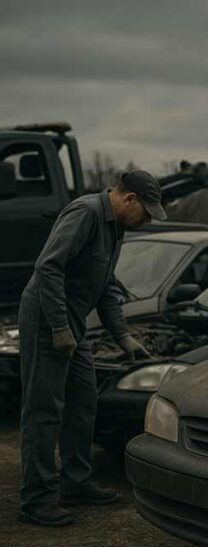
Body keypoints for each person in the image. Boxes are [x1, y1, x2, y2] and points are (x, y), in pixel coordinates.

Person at [18, 171, 157, 527]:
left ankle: (75, 484)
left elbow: (105, 286)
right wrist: (60, 328)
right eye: (146, 211)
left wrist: (124, 337)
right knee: (44, 409)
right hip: (48, 320)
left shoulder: (116, 229)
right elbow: (48, 268)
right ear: (128, 199)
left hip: (74, 324)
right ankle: (37, 499)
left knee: (82, 402)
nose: (147, 220)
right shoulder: (85, 214)